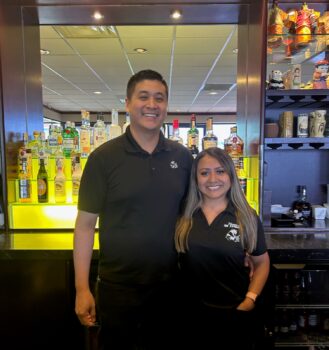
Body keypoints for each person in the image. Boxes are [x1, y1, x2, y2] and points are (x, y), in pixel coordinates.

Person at [73, 69, 193, 350]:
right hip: (118, 288)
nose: (152, 104)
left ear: (166, 106)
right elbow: (85, 225)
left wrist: (239, 246)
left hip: (170, 286)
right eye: (144, 97)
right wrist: (82, 288)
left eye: (159, 98)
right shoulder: (103, 159)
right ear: (127, 104)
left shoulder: (182, 157)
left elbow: (196, 214)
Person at [175, 147, 270, 349]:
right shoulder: (184, 215)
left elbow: (261, 263)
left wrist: (250, 299)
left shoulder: (246, 217)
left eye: (220, 171)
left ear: (230, 175)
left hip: (233, 313)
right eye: (204, 173)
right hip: (191, 316)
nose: (212, 179)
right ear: (196, 178)